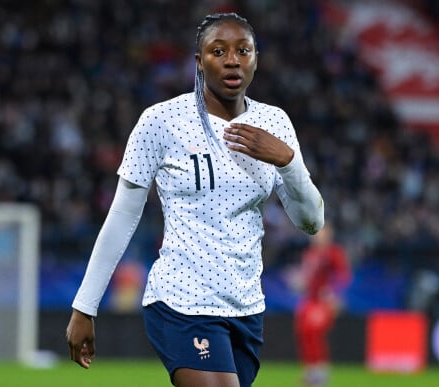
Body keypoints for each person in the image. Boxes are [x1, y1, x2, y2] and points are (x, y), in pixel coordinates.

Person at [66, 12, 325, 387]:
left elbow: (311, 221)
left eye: (243, 50)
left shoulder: (275, 123)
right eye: (218, 51)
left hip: (246, 308)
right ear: (199, 61)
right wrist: (84, 306)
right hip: (181, 301)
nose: (232, 59)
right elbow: (121, 215)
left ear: (256, 59)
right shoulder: (162, 121)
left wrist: (288, 161)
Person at [294, 223, 351, 387]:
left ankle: (321, 372)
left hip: (322, 302)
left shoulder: (334, 253)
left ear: (328, 235)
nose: (317, 237)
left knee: (314, 331)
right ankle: (311, 370)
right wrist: (298, 282)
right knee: (303, 332)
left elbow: (343, 276)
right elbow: (307, 278)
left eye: (321, 234)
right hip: (309, 300)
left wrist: (333, 293)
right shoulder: (309, 254)